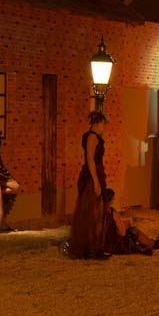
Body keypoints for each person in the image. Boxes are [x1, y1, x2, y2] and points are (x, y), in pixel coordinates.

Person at [68, 110, 109, 259]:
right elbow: (90, 160)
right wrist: (96, 182)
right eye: (103, 125)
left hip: (96, 174)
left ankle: (95, 247)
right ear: (97, 124)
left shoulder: (95, 137)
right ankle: (91, 248)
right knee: (92, 212)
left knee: (96, 212)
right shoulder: (92, 137)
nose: (103, 128)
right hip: (92, 177)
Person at [101, 188, 159, 256]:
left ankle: (146, 244)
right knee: (133, 230)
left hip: (104, 244)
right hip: (114, 245)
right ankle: (152, 244)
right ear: (111, 200)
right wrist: (124, 225)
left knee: (129, 229)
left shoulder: (98, 213)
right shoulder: (111, 212)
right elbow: (122, 233)